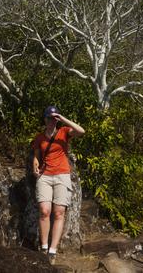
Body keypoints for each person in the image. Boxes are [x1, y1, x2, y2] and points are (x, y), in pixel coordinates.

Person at [32, 106, 85, 264]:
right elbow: (36, 157)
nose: (51, 121)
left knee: (59, 212)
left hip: (62, 175)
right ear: (44, 119)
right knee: (44, 210)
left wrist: (61, 118)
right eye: (49, 118)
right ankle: (43, 247)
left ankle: (52, 251)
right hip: (45, 176)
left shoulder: (64, 132)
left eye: (53, 118)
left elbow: (81, 131)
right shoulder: (39, 137)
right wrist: (35, 166)